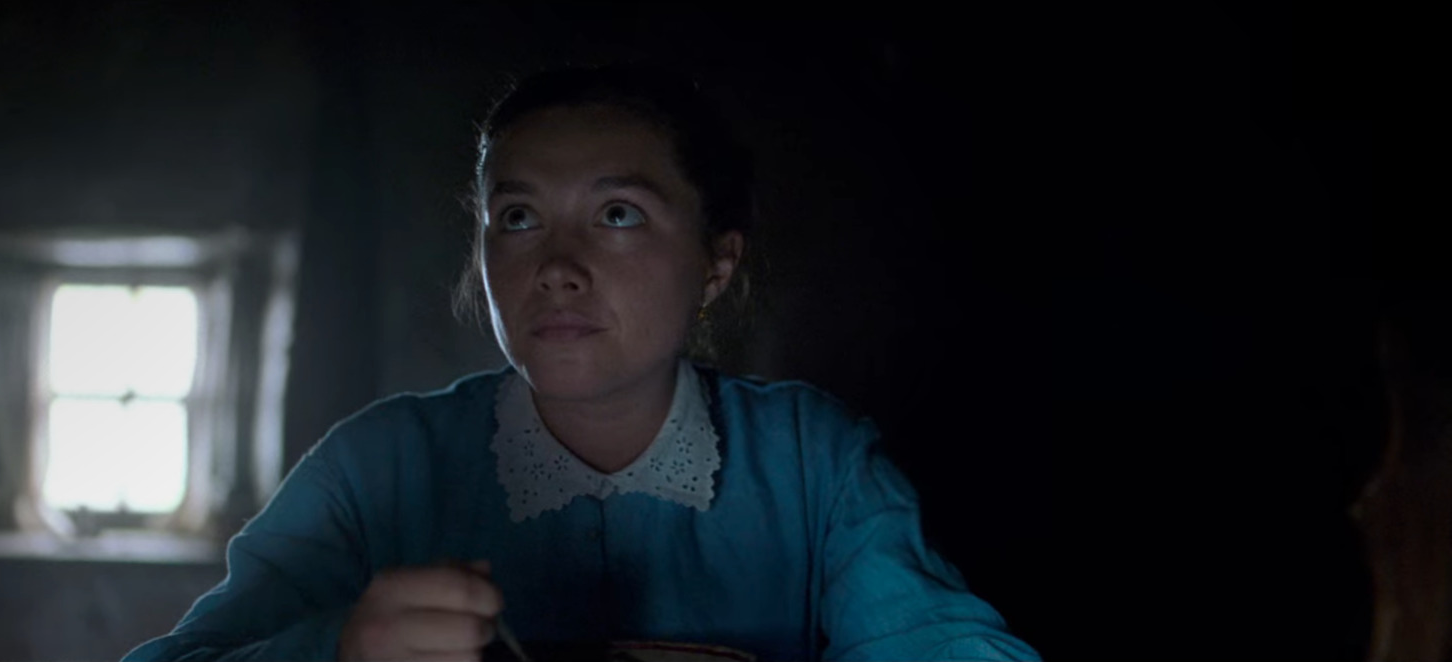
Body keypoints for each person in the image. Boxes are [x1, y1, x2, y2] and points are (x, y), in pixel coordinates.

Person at [123, 64, 1039, 662]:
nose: (554, 269)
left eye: (618, 214)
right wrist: (337, 651)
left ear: (715, 264)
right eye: (516, 218)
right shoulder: (379, 467)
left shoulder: (816, 462)